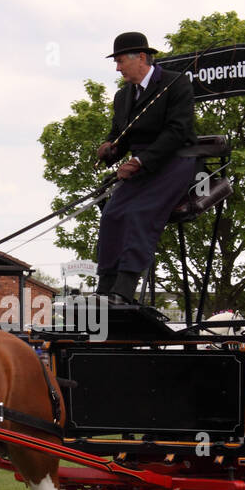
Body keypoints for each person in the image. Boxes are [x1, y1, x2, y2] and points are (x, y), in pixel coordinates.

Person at [94, 31, 197, 306]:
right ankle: (105, 288)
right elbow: (120, 135)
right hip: (139, 167)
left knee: (140, 213)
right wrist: (110, 148)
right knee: (112, 215)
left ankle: (124, 289)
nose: (117, 68)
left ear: (141, 57)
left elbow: (177, 131)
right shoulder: (122, 96)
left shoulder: (176, 84)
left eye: (119, 61)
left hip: (174, 161)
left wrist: (140, 161)